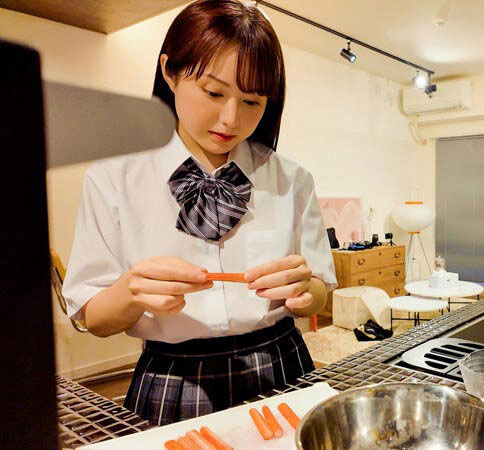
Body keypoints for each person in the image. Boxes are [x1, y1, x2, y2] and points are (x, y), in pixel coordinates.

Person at [61, 0, 336, 425]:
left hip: (282, 365)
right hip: (174, 377)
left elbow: (320, 292)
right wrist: (131, 291)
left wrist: (305, 291)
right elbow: (93, 317)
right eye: (213, 92)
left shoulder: (291, 179)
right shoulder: (115, 177)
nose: (230, 119)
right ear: (169, 72)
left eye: (252, 101)